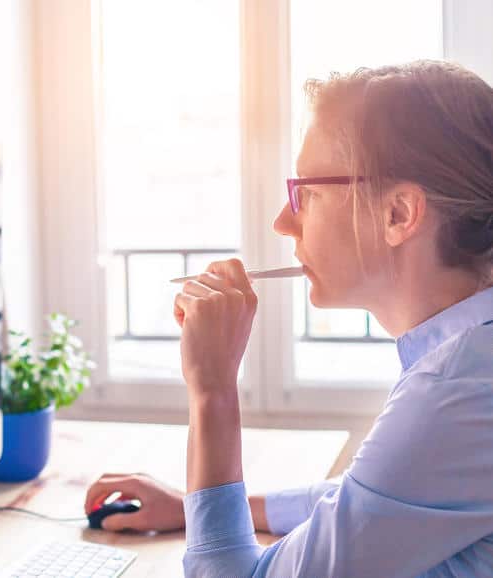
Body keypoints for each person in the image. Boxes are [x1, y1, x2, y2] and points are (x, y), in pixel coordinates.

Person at [84, 60, 493, 577]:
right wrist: (199, 509)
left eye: (309, 193)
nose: (283, 220)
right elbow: (376, 499)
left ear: (399, 214)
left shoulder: (456, 392)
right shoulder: (470, 364)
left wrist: (212, 388)